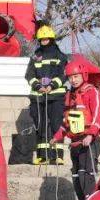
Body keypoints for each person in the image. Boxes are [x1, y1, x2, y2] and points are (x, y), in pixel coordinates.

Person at [62, 56, 100, 200]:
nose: (73, 80)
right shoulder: (71, 95)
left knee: (86, 176)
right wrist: (57, 136)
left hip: (89, 141)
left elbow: (98, 116)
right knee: (76, 177)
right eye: (70, 77)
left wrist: (90, 135)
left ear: (84, 75)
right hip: (75, 142)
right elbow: (66, 120)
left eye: (76, 76)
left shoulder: (92, 92)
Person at [24, 24, 68, 165]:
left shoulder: (59, 56)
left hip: (56, 97)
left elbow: (64, 74)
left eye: (46, 39)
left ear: (51, 39)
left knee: (56, 124)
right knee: (40, 125)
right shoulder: (35, 56)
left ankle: (57, 155)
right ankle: (42, 156)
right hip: (39, 97)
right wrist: (37, 86)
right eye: (41, 39)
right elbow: (29, 75)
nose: (43, 41)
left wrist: (52, 85)